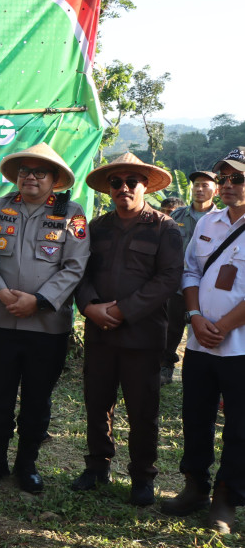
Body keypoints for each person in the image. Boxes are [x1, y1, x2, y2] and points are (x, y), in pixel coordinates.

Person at [0, 143, 89, 493]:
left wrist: (38, 300)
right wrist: (3, 294)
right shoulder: (0, 207)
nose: (31, 177)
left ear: (54, 179)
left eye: (40, 172)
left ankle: (27, 463)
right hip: (2, 321)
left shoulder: (73, 214)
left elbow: (75, 266)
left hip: (47, 327)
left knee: (37, 398)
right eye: (25, 171)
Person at [72, 152, 183, 506]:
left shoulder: (166, 228)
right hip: (100, 333)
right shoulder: (96, 227)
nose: (124, 188)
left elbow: (169, 278)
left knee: (143, 410)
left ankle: (142, 476)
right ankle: (97, 466)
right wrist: (89, 307)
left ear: (145, 186)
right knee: (97, 403)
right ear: (108, 189)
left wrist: (123, 309)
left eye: (131, 182)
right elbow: (80, 272)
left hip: (143, 336)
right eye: (116, 183)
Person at [161, 149, 245, 534]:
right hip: (198, 343)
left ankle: (226, 499)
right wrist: (195, 317)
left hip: (239, 347)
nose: (228, 185)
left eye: (237, 179)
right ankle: (194, 486)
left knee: (239, 426)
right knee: (195, 417)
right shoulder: (207, 221)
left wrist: (224, 325)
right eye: (223, 178)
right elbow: (191, 270)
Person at [162, 171, 219, 385]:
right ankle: (166, 367)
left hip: (207, 287)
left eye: (205, 185)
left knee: (204, 328)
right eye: (196, 184)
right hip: (177, 286)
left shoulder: (221, 219)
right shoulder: (176, 217)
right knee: (172, 327)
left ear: (216, 190)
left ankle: (203, 373)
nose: (199, 189)